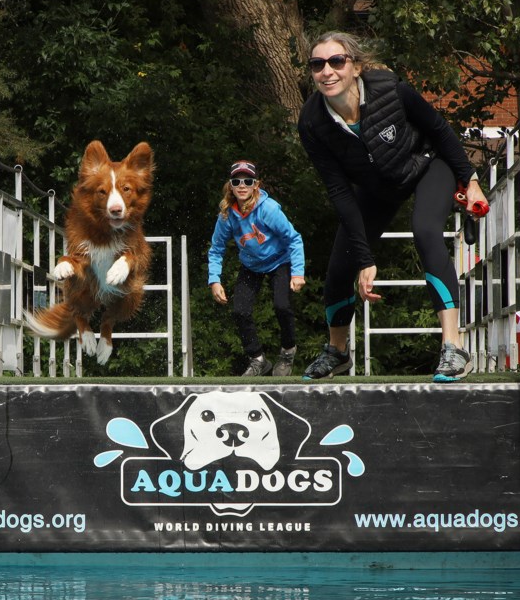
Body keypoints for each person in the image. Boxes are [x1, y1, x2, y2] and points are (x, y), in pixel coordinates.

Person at [297, 31, 488, 382]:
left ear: (354, 66)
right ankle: (337, 352)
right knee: (342, 261)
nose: (327, 71)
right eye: (318, 64)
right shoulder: (312, 122)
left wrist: (471, 182)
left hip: (427, 164)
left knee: (426, 231)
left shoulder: (390, 88)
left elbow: (439, 129)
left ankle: (453, 347)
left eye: (336, 61)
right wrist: (365, 258)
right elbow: (339, 191)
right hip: (377, 187)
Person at [208, 160, 306, 376]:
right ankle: (258, 359)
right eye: (236, 181)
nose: (242, 185)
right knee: (240, 310)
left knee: (282, 305)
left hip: (280, 261)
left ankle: (288, 352)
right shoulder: (226, 215)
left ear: (256, 185)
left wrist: (298, 272)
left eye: (247, 181)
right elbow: (216, 248)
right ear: (230, 186)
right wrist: (214, 280)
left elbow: (294, 239)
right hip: (251, 265)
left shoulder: (268, 209)